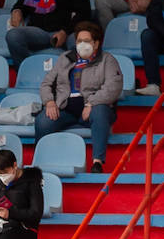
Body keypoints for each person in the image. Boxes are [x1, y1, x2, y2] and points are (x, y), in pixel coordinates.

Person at [37, 22, 122, 173]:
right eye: (79, 41)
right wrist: (49, 102)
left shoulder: (107, 60)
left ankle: (97, 162)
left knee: (100, 111)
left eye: (87, 41)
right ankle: (42, 163)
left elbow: (113, 87)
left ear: (96, 44)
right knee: (43, 120)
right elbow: (46, 83)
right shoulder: (65, 58)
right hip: (65, 108)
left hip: (92, 109)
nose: (82, 44)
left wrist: (91, 103)